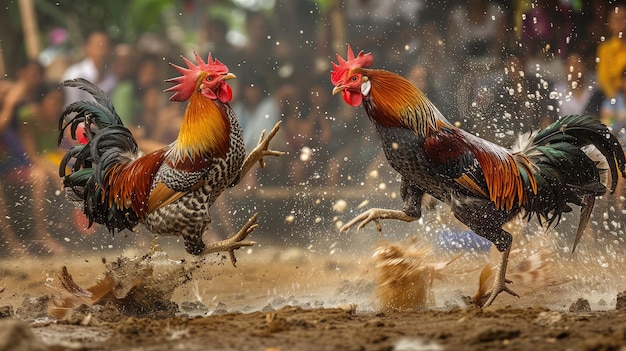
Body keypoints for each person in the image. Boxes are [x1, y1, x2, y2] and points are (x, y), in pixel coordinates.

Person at [61, 31, 116, 106]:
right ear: (87, 48)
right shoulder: (75, 76)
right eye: (98, 47)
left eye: (106, 47)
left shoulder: (112, 78)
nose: (102, 52)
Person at [596, 5, 626, 99]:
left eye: (623, 18)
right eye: (616, 19)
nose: (620, 22)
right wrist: (616, 99)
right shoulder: (605, 49)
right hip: (615, 98)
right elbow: (603, 80)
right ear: (609, 23)